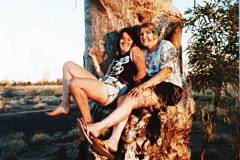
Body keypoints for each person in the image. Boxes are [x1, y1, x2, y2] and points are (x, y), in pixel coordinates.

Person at [78, 22, 183, 158]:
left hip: (169, 87)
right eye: (141, 34)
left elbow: (166, 71)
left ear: (155, 34)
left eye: (148, 33)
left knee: (131, 98)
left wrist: (142, 86)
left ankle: (98, 128)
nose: (144, 36)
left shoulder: (165, 46)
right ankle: (113, 141)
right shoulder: (144, 52)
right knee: (123, 99)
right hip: (152, 87)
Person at [46, 27, 146, 123]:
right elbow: (103, 76)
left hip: (115, 90)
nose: (125, 41)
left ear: (133, 42)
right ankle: (65, 105)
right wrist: (94, 59)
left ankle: (88, 123)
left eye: (129, 39)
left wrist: (138, 88)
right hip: (104, 84)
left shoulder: (134, 50)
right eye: (122, 38)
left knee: (74, 84)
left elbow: (142, 71)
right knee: (68, 66)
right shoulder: (116, 59)